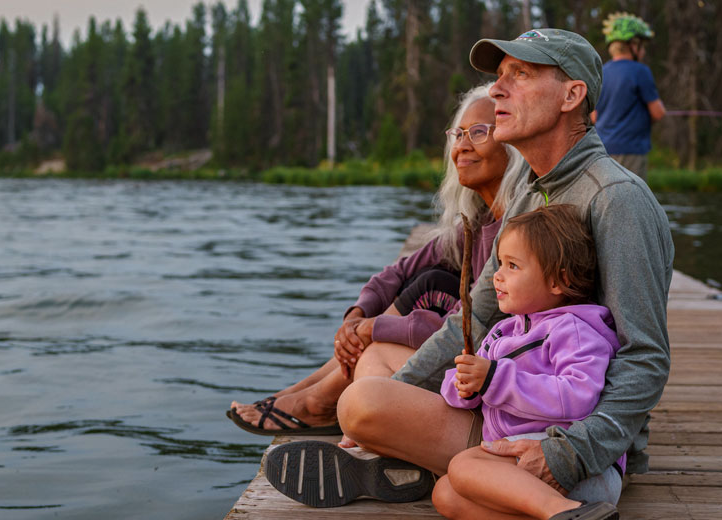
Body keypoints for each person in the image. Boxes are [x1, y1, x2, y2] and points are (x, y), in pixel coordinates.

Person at [264, 27, 674, 510]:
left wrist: (573, 452)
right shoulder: (527, 191)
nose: (498, 89)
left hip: (564, 431)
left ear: (572, 95)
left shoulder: (616, 199)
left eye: (520, 74)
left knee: (359, 405)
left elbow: (645, 357)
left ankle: (418, 462)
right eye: (499, 76)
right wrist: (402, 396)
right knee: (376, 371)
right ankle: (408, 460)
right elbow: (479, 316)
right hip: (511, 393)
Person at [227, 82, 524, 438]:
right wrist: (356, 315)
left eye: (478, 132)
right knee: (429, 280)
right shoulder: (477, 222)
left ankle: (319, 404)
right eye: (458, 134)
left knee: (377, 350)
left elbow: (478, 332)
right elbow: (398, 272)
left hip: (493, 381)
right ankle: (306, 393)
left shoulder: (516, 232)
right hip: (463, 363)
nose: (461, 145)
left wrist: (373, 328)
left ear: (513, 141)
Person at [433, 204, 623, 520]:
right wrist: (465, 385)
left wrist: (494, 379)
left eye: (513, 266)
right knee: (446, 494)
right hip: (519, 460)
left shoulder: (573, 329)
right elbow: (470, 390)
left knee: (463, 466)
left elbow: (578, 396)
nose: (498, 275)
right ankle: (575, 516)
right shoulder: (503, 332)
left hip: (574, 465)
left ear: (557, 281)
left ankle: (563, 511)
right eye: (500, 263)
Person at [590, 13, 665, 178]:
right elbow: (658, 113)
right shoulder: (640, 71)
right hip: (631, 150)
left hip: (602, 150)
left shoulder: (601, 72)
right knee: (632, 198)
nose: (643, 51)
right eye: (642, 46)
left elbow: (593, 116)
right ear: (633, 45)